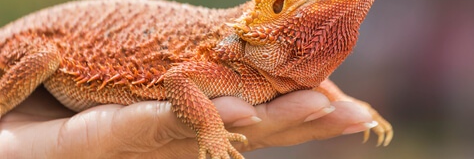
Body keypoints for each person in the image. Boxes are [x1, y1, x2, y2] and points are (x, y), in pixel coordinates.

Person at [0, 87, 377, 158]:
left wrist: (341, 99)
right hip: (48, 50)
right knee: (42, 55)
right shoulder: (231, 47)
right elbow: (179, 79)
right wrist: (210, 129)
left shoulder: (277, 62)